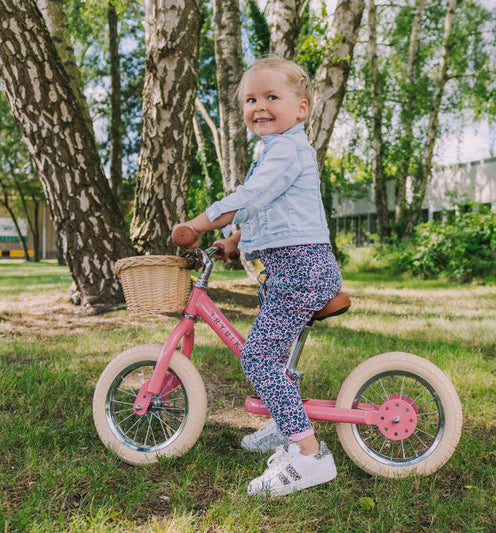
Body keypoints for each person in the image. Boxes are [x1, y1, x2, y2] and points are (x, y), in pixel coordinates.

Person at [181, 56, 342, 496]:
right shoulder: (275, 151)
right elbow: (264, 207)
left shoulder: (288, 149)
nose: (260, 107)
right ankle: (283, 421)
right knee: (277, 354)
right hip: (294, 270)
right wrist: (233, 240)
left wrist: (200, 223)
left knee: (259, 357)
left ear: (302, 108)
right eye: (252, 99)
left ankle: (309, 456)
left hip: (302, 270)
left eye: (272, 97)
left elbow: (252, 196)